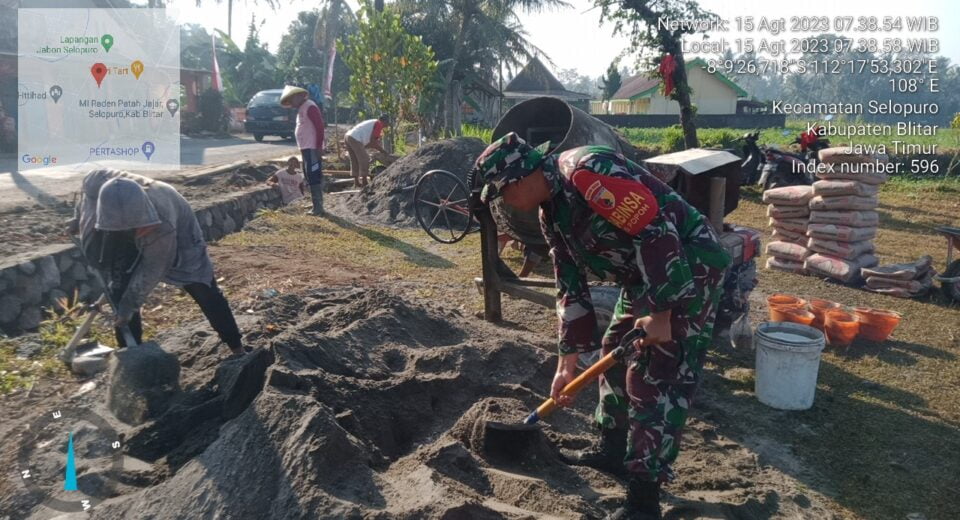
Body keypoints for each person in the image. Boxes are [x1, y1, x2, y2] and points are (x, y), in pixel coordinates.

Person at [474, 133, 730, 520]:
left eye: (501, 193)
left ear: (520, 178)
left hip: (687, 268)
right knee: (614, 349)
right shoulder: (551, 212)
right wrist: (566, 363)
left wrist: (663, 313)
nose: (504, 203)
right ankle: (611, 449)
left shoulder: (587, 172)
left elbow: (655, 229)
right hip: (642, 277)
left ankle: (644, 498)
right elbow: (569, 283)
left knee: (654, 375)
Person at [71, 169, 245, 355]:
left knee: (203, 290)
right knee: (120, 289)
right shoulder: (97, 183)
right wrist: (78, 218)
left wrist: (128, 307)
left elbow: (153, 268)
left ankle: (237, 348)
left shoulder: (163, 223)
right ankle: (132, 355)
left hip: (181, 241)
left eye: (136, 230)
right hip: (120, 226)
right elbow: (88, 195)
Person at [279, 85, 325, 216]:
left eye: (292, 99)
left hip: (312, 148)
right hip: (306, 148)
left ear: (299, 96)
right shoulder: (302, 108)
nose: (291, 103)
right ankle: (316, 204)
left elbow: (320, 127)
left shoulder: (310, 107)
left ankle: (318, 207)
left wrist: (319, 146)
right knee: (308, 174)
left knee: (313, 174)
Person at [344, 114, 390, 188]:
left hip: (348, 136)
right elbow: (373, 142)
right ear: (384, 121)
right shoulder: (378, 124)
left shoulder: (373, 122)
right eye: (387, 123)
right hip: (355, 138)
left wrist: (376, 148)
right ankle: (364, 182)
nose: (387, 125)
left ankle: (356, 182)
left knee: (354, 160)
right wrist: (383, 151)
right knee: (365, 159)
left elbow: (370, 143)